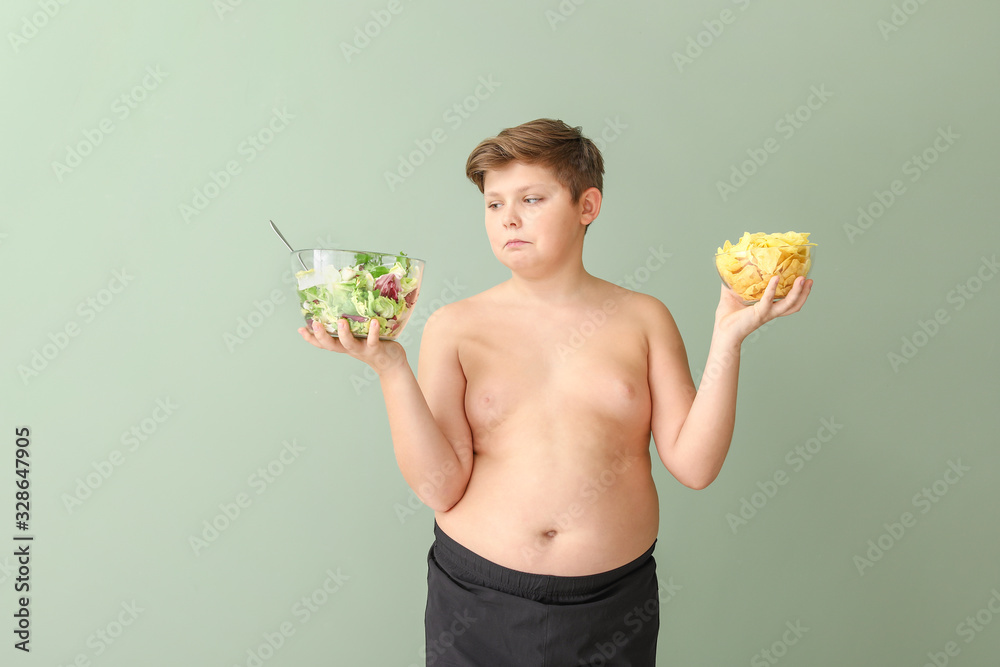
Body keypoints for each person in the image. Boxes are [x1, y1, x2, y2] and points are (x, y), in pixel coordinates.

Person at [297, 118, 812, 666]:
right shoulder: (455, 326)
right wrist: (391, 368)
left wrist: (728, 340)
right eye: (494, 205)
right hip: (475, 599)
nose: (509, 218)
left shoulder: (644, 319)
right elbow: (440, 487)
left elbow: (695, 465)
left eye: (532, 198)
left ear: (586, 206)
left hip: (611, 605)